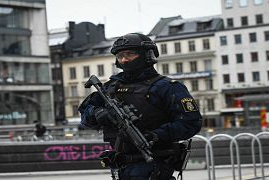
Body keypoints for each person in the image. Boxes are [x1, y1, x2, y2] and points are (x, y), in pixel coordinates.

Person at [78, 33, 202, 180]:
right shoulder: (110, 88)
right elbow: (85, 115)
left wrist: (156, 135)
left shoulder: (168, 87)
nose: (124, 59)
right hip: (121, 166)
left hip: (155, 163)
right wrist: (98, 113)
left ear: (147, 55)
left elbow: (191, 122)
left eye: (130, 54)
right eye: (120, 56)